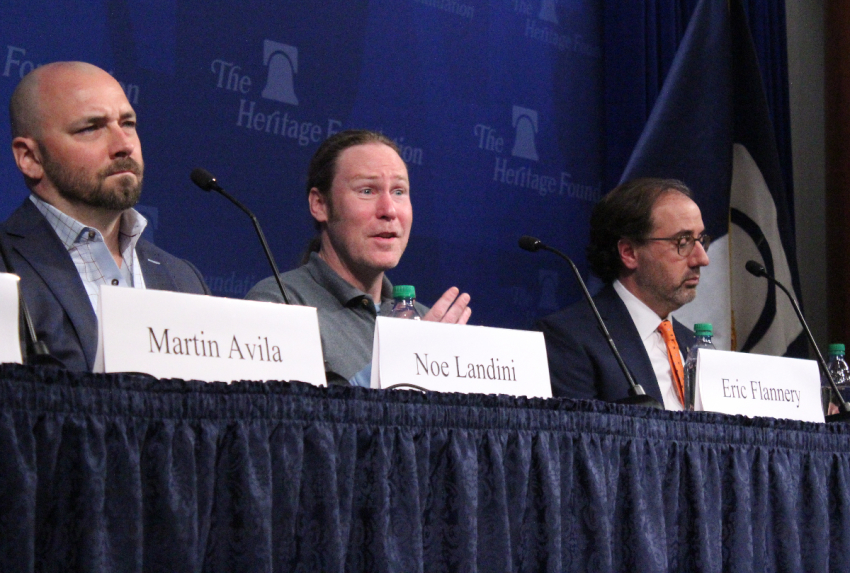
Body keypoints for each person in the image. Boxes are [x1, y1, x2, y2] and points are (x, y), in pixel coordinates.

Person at [0, 61, 209, 371]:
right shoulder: (6, 265)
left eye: (127, 123)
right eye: (90, 128)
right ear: (31, 158)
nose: (124, 145)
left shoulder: (183, 278)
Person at [246, 129, 471, 385]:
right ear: (320, 204)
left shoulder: (423, 323)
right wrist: (404, 365)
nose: (388, 210)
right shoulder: (277, 305)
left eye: (399, 191)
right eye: (367, 191)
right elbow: (292, 420)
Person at [537, 178, 710, 409]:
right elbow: (581, 440)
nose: (702, 259)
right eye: (683, 241)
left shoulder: (693, 345)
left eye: (700, 240)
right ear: (629, 252)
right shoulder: (570, 339)